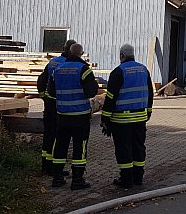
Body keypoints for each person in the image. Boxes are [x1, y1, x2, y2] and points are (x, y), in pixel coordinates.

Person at [101, 44, 154, 188]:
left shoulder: (118, 72)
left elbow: (111, 98)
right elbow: (150, 93)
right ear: (133, 55)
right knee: (138, 147)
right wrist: (148, 111)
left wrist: (105, 119)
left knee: (124, 148)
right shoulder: (144, 70)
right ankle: (138, 178)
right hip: (140, 118)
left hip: (121, 119)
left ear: (121, 55)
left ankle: (126, 180)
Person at [48, 43, 98, 189]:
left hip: (62, 115)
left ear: (69, 52)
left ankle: (57, 178)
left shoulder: (57, 69)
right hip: (80, 116)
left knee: (60, 146)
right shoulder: (84, 70)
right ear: (82, 54)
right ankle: (77, 180)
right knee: (79, 147)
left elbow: (51, 92)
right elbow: (91, 92)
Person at [36, 39, 76, 176]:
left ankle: (45, 165)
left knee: (48, 134)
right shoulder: (68, 64)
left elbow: (41, 81)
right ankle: (53, 167)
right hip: (60, 106)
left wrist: (44, 97)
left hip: (50, 104)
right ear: (71, 51)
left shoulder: (53, 62)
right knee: (57, 136)